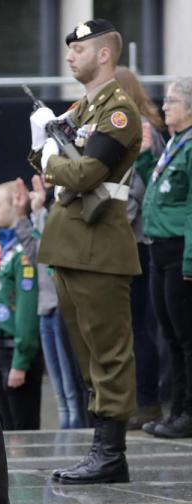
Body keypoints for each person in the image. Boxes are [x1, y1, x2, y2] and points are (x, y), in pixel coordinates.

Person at [30, 19, 141, 484]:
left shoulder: (118, 111)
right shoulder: (82, 108)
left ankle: (111, 452)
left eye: (80, 49)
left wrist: (50, 157)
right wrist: (45, 149)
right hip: (70, 242)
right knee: (86, 351)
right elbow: (39, 162)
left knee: (109, 351)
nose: (70, 55)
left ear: (104, 55)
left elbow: (85, 174)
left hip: (100, 243)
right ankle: (101, 446)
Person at [134, 76, 192, 438]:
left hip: (179, 251)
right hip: (159, 248)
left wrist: (189, 261)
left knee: (186, 337)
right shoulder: (174, 144)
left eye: (172, 101)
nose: (165, 106)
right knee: (168, 335)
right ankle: (176, 411)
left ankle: (188, 413)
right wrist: (143, 159)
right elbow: (157, 192)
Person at [116, 66, 168, 430]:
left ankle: (147, 401)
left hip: (136, 242)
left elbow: (141, 190)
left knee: (140, 327)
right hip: (133, 240)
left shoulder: (146, 134)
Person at [16, 176, 89, 429]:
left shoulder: (64, 214)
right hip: (45, 307)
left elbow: (53, 248)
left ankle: (78, 434)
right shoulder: (45, 214)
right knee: (60, 391)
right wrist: (27, 215)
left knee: (72, 386)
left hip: (62, 307)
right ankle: (67, 437)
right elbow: (37, 253)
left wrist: (39, 213)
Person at [0, 181, 43, 431]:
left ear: (13, 206)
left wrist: (20, 361)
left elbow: (27, 312)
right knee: (5, 431)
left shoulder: (22, 254)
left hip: (16, 350)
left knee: (22, 431)